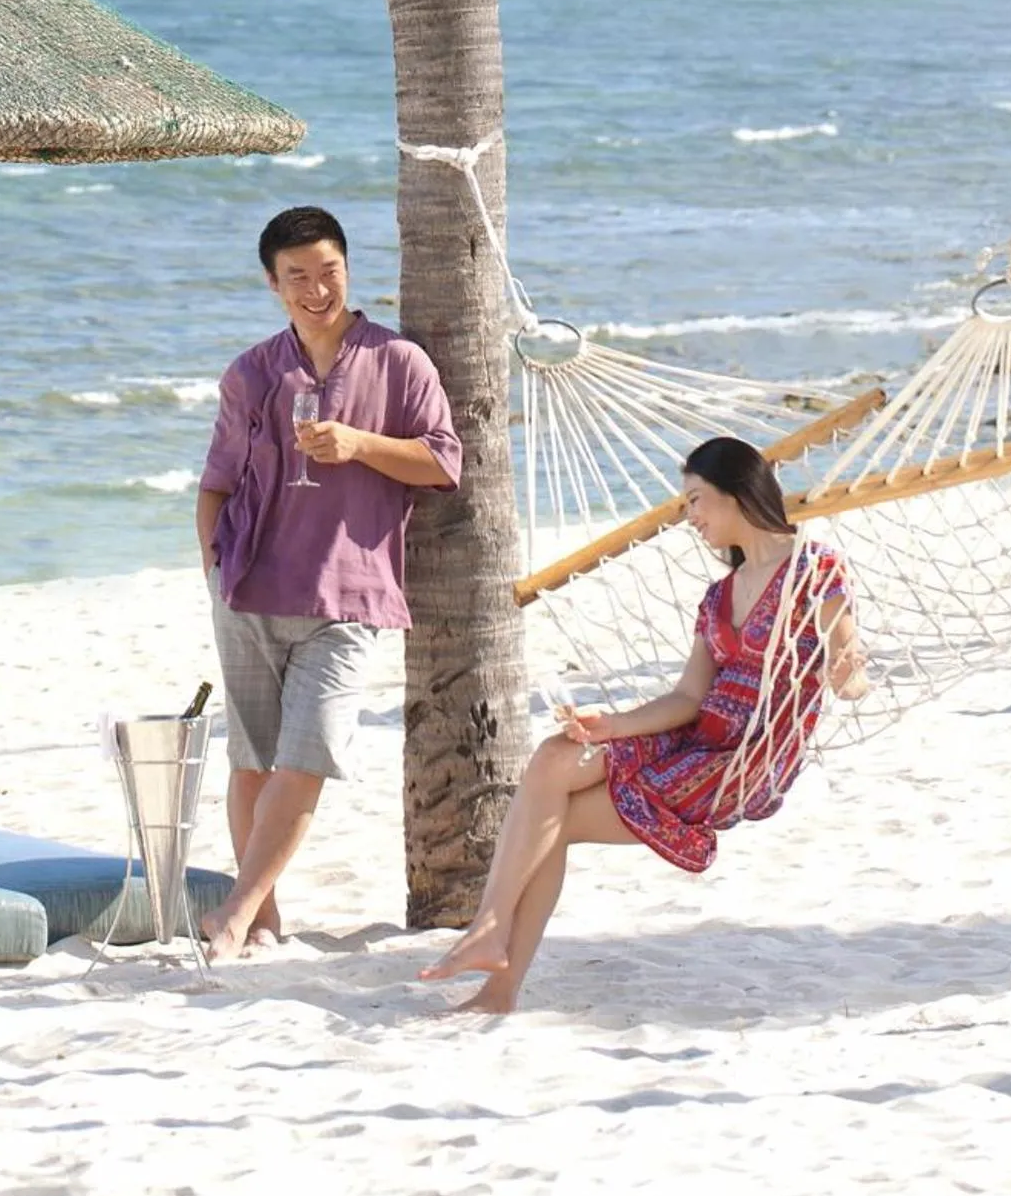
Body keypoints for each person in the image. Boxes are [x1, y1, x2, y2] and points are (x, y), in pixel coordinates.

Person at [421, 434, 868, 1013]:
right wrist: (613, 725)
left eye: (696, 500)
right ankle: (493, 954)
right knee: (555, 757)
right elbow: (688, 697)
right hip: (696, 736)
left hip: (745, 759)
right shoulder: (719, 596)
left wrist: (846, 673)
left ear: (737, 492)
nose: (690, 517)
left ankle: (495, 960)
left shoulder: (814, 569)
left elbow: (849, 678)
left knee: (549, 821)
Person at [196, 204, 462, 961]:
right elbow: (215, 483)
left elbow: (443, 461)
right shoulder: (252, 373)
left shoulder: (398, 361)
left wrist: (358, 444)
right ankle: (262, 921)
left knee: (306, 755)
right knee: (252, 761)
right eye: (298, 277)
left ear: (347, 268)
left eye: (328, 272)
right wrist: (215, 569)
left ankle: (234, 911)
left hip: (350, 593)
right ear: (272, 284)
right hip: (249, 587)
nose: (316, 290)